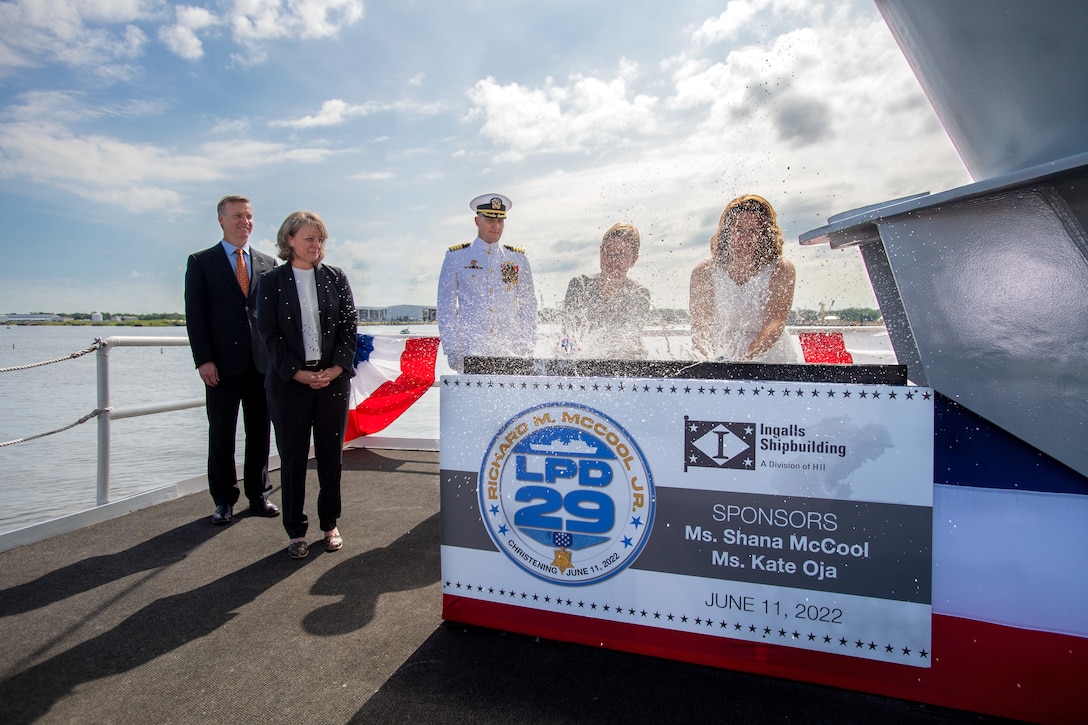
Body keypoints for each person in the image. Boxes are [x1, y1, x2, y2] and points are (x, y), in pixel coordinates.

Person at [256, 210, 357, 559]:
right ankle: (295, 531)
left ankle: (330, 524)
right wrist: (296, 372)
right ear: (290, 241)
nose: (316, 245)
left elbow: (349, 329)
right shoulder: (271, 282)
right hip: (288, 385)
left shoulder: (336, 278)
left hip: (332, 382)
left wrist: (336, 369)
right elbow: (268, 334)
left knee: (331, 458)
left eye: (321, 239)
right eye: (309, 238)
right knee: (293, 459)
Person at [185, 195, 280, 525]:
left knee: (259, 432)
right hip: (221, 366)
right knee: (222, 433)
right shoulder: (201, 262)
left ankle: (258, 495)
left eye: (249, 216)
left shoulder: (269, 264)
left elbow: (275, 317)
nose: (245, 221)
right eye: (238, 215)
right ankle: (224, 500)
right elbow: (195, 316)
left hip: (261, 363)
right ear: (221, 220)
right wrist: (204, 360)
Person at [689, 194, 800, 363]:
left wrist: (744, 361)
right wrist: (713, 360)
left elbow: (775, 322)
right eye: (739, 230)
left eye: (753, 231)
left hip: (770, 358)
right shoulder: (704, 271)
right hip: (719, 357)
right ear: (727, 232)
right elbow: (700, 326)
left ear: (765, 234)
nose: (745, 238)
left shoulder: (781, 268)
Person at [437, 193, 538, 372]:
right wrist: (452, 349)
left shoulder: (517, 258)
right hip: (471, 352)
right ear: (477, 221)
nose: (496, 226)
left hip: (510, 352)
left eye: (500, 221)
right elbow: (446, 307)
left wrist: (527, 346)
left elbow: (528, 305)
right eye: (490, 220)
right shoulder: (457, 257)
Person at [562, 223, 651, 359]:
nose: (613, 260)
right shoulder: (580, 286)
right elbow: (569, 335)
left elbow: (627, 342)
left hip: (628, 363)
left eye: (622, 255)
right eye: (609, 252)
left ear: (633, 260)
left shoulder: (639, 293)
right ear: (600, 251)